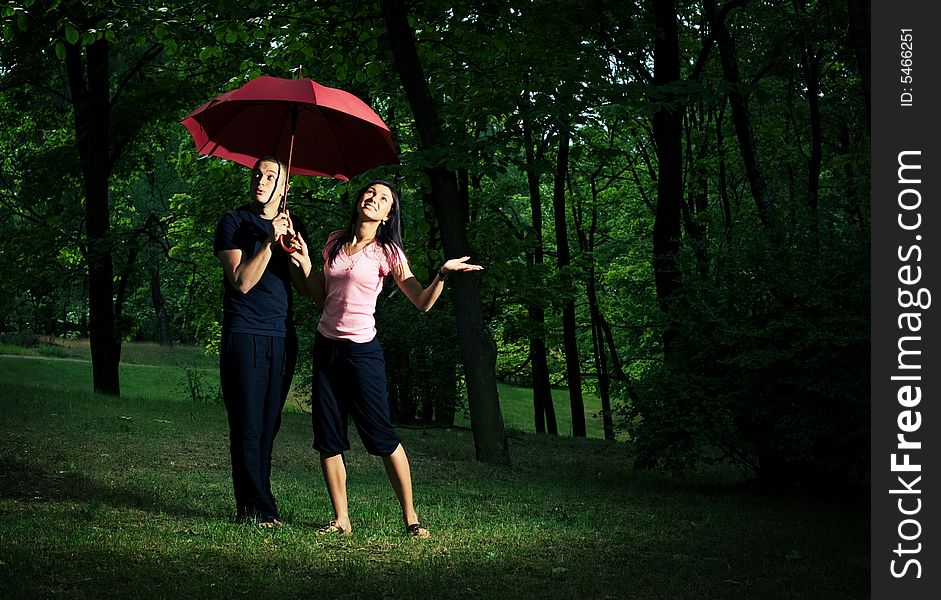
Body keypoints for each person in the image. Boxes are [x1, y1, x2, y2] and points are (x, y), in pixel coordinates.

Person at [289, 179, 482, 538]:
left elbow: (422, 302)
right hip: (326, 348)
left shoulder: (388, 252)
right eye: (369, 192)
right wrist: (303, 263)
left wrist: (442, 274)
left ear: (388, 213)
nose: (372, 199)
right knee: (328, 437)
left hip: (363, 353)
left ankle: (411, 518)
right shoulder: (334, 240)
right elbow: (320, 295)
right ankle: (341, 520)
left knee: (381, 436)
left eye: (382, 199)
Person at [213, 155, 307, 528]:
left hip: (283, 337)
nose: (261, 180)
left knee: (268, 425)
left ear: (284, 187)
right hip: (246, 334)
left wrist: (299, 256)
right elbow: (242, 282)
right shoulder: (233, 222)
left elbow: (303, 288)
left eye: (271, 175)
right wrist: (268, 242)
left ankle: (258, 505)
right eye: (257, 173)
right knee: (247, 424)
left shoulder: (293, 225)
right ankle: (255, 509)